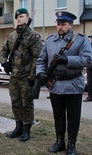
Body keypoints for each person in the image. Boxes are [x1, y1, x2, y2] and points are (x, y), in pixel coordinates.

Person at [36, 11, 92, 155]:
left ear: (71, 25)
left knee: (73, 118)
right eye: (58, 24)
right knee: (58, 116)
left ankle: (71, 144)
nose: (60, 27)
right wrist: (40, 72)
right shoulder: (49, 41)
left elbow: (88, 59)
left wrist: (67, 60)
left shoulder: (81, 40)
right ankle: (59, 141)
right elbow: (41, 60)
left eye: (63, 24)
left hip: (73, 84)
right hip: (55, 85)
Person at [0, 8, 42, 142]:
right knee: (16, 102)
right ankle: (18, 127)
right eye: (17, 16)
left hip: (26, 76)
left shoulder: (33, 36)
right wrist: (4, 63)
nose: (19, 18)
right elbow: (4, 50)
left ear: (28, 18)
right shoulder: (12, 36)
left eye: (22, 16)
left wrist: (32, 76)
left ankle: (26, 129)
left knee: (27, 104)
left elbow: (37, 58)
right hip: (14, 76)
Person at [83, 34, 92, 102]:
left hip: (90, 65)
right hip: (90, 65)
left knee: (90, 81)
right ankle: (90, 96)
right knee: (89, 81)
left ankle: (90, 96)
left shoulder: (89, 45)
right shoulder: (90, 45)